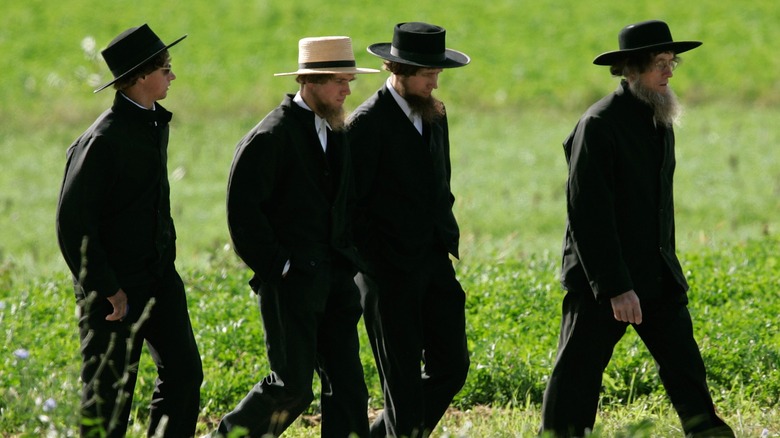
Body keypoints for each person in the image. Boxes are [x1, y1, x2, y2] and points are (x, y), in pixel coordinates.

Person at [540, 20, 734, 437]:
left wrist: (665, 269)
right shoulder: (599, 124)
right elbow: (587, 214)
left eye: (671, 63)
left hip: (657, 273)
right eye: (659, 64)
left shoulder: (659, 115)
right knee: (576, 377)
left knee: (686, 370)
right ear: (630, 70)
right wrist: (615, 287)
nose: (668, 72)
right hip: (602, 279)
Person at [215, 36, 378, 438]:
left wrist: (349, 259)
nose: (347, 90)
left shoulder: (338, 130)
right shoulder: (270, 137)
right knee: (291, 386)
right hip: (291, 285)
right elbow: (244, 217)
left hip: (337, 282)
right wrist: (282, 267)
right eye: (340, 81)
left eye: (350, 81)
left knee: (349, 388)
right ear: (310, 81)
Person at [56, 24, 202, 437]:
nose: (172, 76)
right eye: (166, 69)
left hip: (158, 280)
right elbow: (72, 224)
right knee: (109, 399)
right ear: (141, 76)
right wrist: (107, 287)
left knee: (185, 376)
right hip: (112, 290)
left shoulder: (154, 122)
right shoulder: (101, 140)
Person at [347, 22, 471, 438]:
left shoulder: (436, 114)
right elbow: (353, 207)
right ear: (396, 69)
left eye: (437, 73)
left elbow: (441, 185)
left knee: (452, 368)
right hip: (387, 274)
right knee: (400, 385)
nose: (434, 82)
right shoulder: (365, 124)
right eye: (426, 73)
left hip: (434, 264)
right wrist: (379, 264)